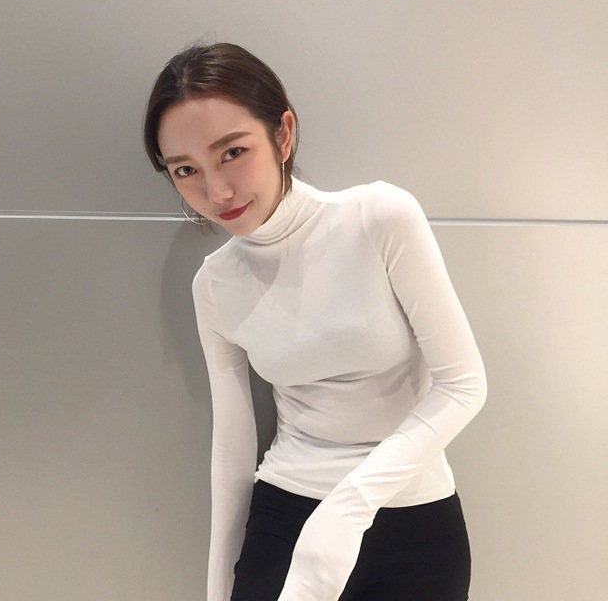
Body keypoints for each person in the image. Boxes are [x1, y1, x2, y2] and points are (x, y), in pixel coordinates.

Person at [144, 43, 487, 601]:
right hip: (285, 512)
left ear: (283, 134)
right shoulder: (215, 284)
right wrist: (218, 586)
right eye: (186, 170)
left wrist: (350, 505)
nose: (216, 192)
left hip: (415, 518)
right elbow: (233, 445)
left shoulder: (379, 218)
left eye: (233, 152)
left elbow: (463, 384)